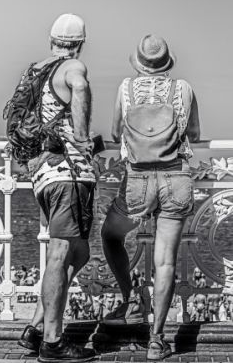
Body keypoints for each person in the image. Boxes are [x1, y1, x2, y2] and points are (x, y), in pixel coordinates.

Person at [101, 35, 200, 360]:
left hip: (138, 179)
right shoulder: (183, 88)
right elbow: (194, 135)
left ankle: (130, 300)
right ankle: (157, 340)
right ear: (167, 62)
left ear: (140, 63)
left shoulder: (125, 89)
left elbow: (117, 133)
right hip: (175, 177)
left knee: (110, 235)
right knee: (166, 261)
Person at [16, 14, 97, 362]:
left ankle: (35, 327)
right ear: (79, 43)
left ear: (52, 39)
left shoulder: (35, 70)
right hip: (67, 173)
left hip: (42, 173)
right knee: (61, 253)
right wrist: (82, 137)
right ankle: (52, 341)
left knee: (79, 254)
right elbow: (79, 87)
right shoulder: (72, 66)